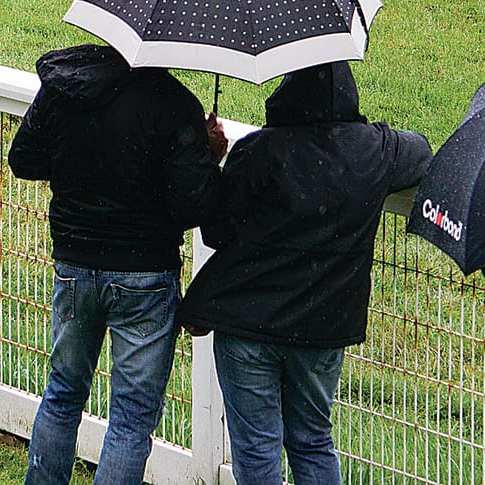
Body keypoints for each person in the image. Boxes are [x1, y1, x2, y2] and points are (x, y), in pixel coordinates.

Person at [178, 61, 431, 485]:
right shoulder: (375, 151)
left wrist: (211, 161)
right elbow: (421, 151)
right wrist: (372, 134)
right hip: (323, 326)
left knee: (257, 449)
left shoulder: (258, 150)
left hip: (247, 323)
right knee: (313, 440)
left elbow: (216, 231)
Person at [8, 42, 223, 485]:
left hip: (73, 265)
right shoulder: (175, 104)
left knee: (63, 394)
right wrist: (207, 156)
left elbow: (24, 158)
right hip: (145, 276)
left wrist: (78, 167)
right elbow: (193, 208)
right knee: (130, 419)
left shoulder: (62, 88)